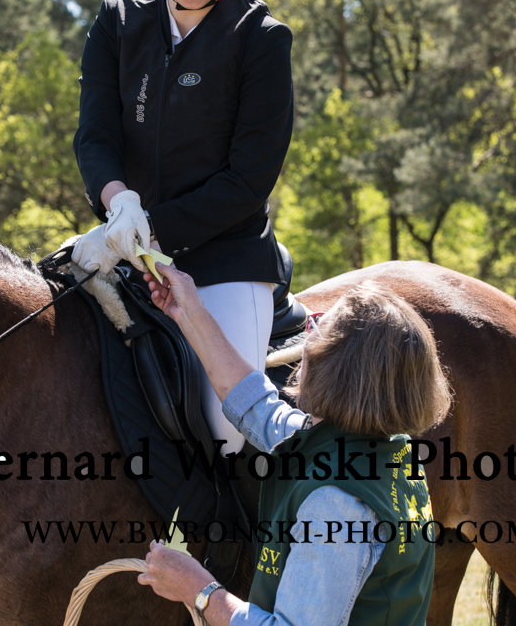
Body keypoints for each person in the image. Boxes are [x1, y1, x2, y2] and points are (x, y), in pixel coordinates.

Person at [71, 0, 294, 456]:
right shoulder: (117, 24)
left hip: (226, 256)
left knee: (229, 428)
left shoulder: (261, 38)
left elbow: (248, 180)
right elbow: (96, 137)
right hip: (122, 239)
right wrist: (121, 207)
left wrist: (149, 230)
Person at [137, 263, 452, 626]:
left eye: (320, 326)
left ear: (340, 368)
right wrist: (189, 311)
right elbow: (256, 406)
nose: (309, 331)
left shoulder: (336, 504)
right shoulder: (385, 449)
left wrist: (198, 588)